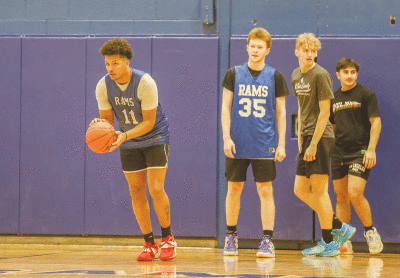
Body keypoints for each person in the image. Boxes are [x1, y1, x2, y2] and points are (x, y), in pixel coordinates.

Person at [90, 38, 176, 261]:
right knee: (136, 191)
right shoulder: (103, 86)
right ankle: (149, 243)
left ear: (127, 62)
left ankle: (167, 238)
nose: (110, 68)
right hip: (128, 139)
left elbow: (148, 122)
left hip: (155, 136)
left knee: (156, 188)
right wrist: (100, 129)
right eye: (107, 64)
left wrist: (124, 135)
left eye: (115, 63)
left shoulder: (145, 82)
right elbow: (108, 121)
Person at [221, 27, 289, 258]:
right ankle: (231, 236)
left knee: (265, 190)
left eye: (260, 47)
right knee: (234, 188)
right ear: (247, 46)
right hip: (237, 142)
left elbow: (281, 112)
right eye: (253, 46)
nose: (256, 50)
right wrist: (226, 137)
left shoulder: (275, 76)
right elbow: (225, 107)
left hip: (264, 142)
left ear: (267, 50)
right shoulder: (233, 74)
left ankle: (267, 240)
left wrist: (281, 144)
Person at [291, 33, 356, 257]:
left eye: (313, 51)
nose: (310, 55)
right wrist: (301, 136)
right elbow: (301, 107)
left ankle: (329, 241)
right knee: (300, 189)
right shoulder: (296, 75)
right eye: (306, 50)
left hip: (320, 137)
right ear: (297, 51)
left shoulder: (321, 75)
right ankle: (339, 225)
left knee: (319, 191)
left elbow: (325, 112)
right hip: (307, 136)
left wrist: (313, 144)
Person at [330, 58, 383, 255]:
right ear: (338, 75)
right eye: (345, 72)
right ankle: (344, 240)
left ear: (356, 74)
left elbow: (375, 122)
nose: (349, 75)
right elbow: (331, 126)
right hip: (338, 153)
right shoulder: (333, 98)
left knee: (354, 192)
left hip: (360, 152)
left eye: (353, 72)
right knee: (341, 196)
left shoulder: (366, 94)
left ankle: (371, 232)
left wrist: (371, 149)